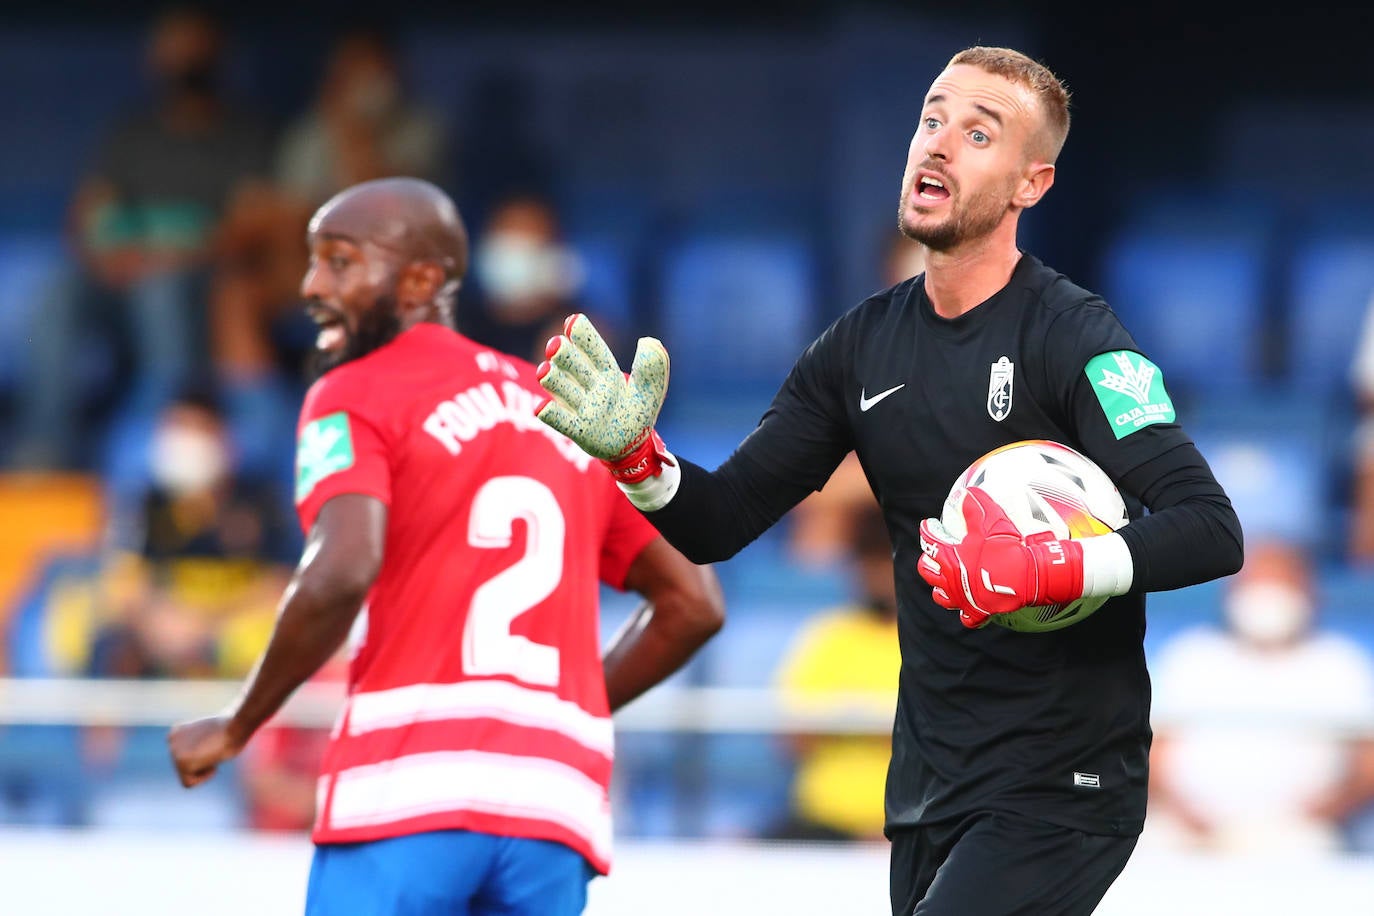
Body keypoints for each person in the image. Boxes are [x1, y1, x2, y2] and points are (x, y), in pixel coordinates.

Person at [536, 47, 1244, 915]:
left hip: (1063, 783)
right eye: (932, 119)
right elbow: (718, 521)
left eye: (978, 133)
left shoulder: (1078, 338)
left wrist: (1052, 565)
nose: (938, 145)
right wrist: (638, 461)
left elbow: (1211, 526)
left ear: (1032, 183)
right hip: (929, 782)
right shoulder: (859, 346)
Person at [167, 178, 724, 915]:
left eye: (338, 262)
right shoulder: (562, 413)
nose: (309, 285)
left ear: (422, 280)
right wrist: (561, 709)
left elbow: (341, 569)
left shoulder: (355, 390)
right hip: (551, 804)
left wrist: (240, 723)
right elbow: (694, 604)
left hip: (409, 786)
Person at [13, 7, 272, 470]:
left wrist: (172, 256)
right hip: (125, 271)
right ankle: (46, 449)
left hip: (195, 277)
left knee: (161, 293)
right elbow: (88, 213)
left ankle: (155, 447)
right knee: (57, 293)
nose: (180, 57)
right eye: (170, 45)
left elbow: (248, 227)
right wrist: (108, 254)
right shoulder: (134, 133)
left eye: (191, 43)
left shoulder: (242, 134)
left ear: (215, 51)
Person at [1148, 540, 1374, 853]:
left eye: (1279, 583)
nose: (1267, 597)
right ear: (1233, 592)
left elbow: (1367, 766)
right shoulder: (1190, 656)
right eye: (1257, 582)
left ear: (1308, 591)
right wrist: (1191, 819)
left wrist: (1315, 817)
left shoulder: (1341, 664)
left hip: (1304, 833)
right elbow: (1149, 753)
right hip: (1186, 829)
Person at [771, 503, 901, 842]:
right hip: (822, 821)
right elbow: (793, 738)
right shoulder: (829, 636)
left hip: (907, 822)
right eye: (870, 564)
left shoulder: (929, 643)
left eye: (886, 564)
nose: (879, 577)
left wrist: (844, 721)